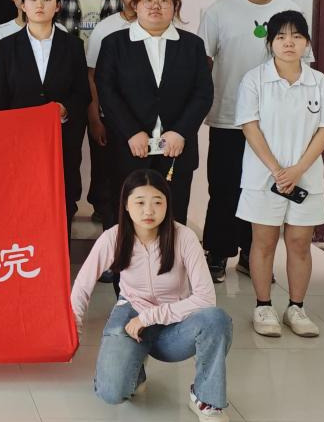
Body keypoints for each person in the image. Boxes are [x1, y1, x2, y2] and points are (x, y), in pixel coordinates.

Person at [71, 169, 232, 421]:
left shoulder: (184, 237)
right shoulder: (113, 237)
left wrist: (149, 317)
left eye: (157, 202)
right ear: (126, 205)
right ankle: (135, 370)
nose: (149, 211)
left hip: (175, 322)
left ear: (167, 204)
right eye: (140, 202)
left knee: (216, 319)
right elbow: (82, 285)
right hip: (130, 314)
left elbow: (205, 298)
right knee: (111, 393)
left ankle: (205, 399)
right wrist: (74, 329)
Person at [200, 0, 306, 283]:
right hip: (229, 116)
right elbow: (203, 64)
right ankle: (217, 253)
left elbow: (303, 64)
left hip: (274, 123)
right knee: (224, 187)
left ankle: (251, 255)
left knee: (262, 189)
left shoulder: (290, 10)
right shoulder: (219, 11)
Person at [235, 11, 324, 338]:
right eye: (281, 36)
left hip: (305, 177)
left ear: (306, 42)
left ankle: (296, 307)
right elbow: (250, 127)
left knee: (299, 242)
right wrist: (277, 170)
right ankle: (263, 306)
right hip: (264, 176)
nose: (289, 42)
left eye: (296, 36)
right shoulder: (254, 79)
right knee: (263, 242)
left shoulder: (319, 81)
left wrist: (297, 170)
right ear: (270, 43)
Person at [94, 0, 213, 225]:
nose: (155, 6)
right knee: (126, 217)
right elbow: (107, 91)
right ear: (135, 5)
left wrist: (180, 132)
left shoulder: (192, 45)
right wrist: (131, 131)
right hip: (129, 148)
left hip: (176, 149)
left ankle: (169, 254)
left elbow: (203, 93)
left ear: (175, 6)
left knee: (172, 216)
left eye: (164, 0)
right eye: (147, 0)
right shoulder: (114, 43)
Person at [0, 0, 89, 226]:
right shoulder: (7, 46)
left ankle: (62, 249)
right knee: (23, 197)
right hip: (20, 139)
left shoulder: (73, 46)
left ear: (57, 6)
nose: (39, 5)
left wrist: (65, 109)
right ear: (22, 5)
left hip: (62, 138)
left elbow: (82, 93)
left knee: (63, 197)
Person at [83, 0, 157, 229]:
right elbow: (93, 76)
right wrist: (95, 118)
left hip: (154, 125)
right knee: (112, 180)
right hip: (113, 120)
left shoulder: (162, 27)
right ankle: (113, 234)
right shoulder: (106, 28)